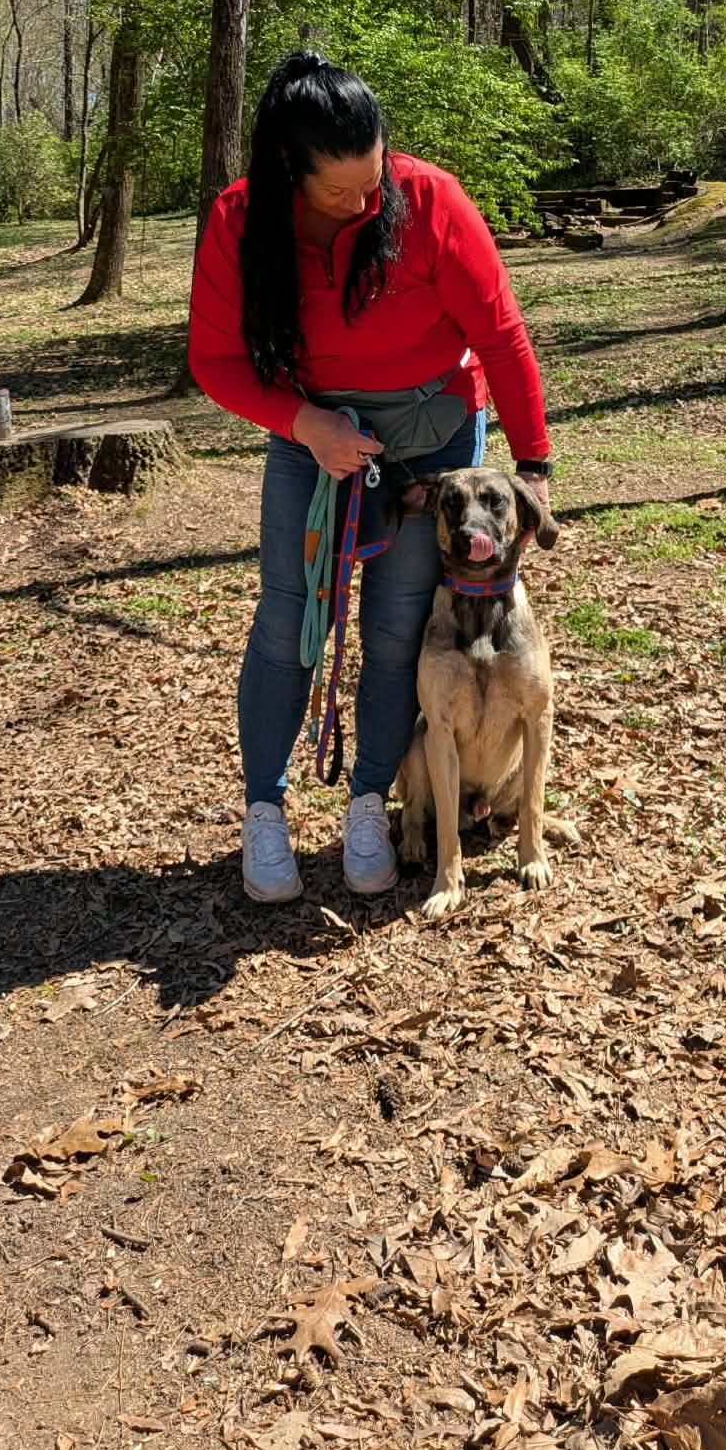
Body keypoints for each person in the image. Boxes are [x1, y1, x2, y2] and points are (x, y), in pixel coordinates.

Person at [188, 50, 554, 904]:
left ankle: (369, 803)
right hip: (313, 431)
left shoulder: (430, 201)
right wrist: (305, 424)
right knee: (289, 620)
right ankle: (264, 810)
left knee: (397, 633)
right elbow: (214, 360)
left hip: (432, 433)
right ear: (288, 168)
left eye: (374, 177)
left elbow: (501, 336)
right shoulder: (239, 221)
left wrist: (534, 465)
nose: (365, 202)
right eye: (340, 191)